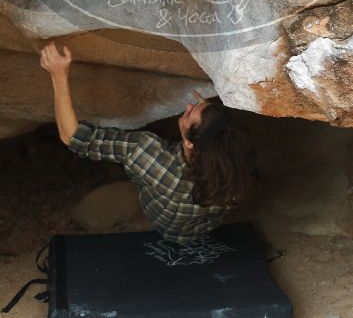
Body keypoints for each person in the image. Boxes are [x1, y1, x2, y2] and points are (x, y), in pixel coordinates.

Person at [39, 41, 258, 243]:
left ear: (191, 143)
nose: (188, 107)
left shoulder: (146, 152)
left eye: (191, 113)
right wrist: (208, 114)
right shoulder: (237, 163)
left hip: (163, 226)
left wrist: (59, 75)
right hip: (203, 226)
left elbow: (73, 137)